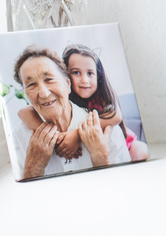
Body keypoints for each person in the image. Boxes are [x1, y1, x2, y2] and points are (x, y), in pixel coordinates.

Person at [12, 45, 131, 180]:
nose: (44, 93)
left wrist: (101, 159)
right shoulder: (19, 135)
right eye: (31, 85)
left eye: (49, 79)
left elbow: (124, 189)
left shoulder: (105, 130)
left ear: (68, 84)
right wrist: (33, 169)